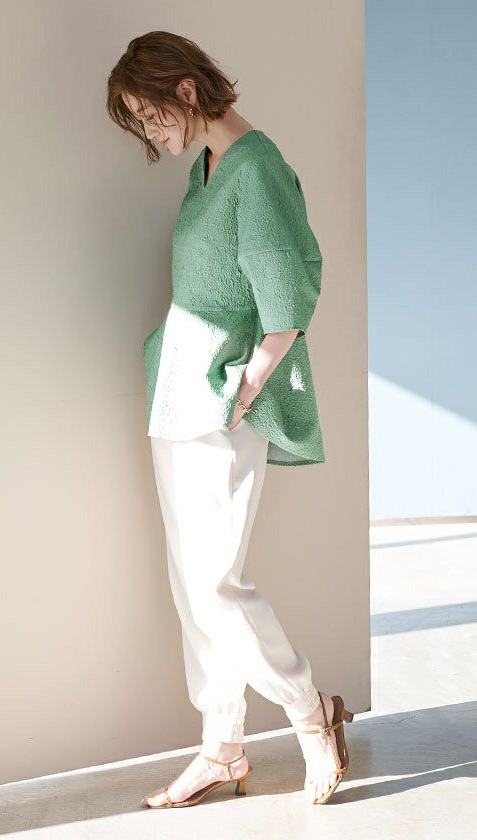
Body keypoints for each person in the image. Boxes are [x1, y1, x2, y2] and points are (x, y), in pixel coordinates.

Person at [106, 31, 355, 808]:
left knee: (217, 583)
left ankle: (312, 713)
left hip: (220, 398)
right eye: (138, 123)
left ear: (185, 88)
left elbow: (288, 288)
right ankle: (222, 747)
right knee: (191, 586)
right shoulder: (207, 169)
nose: (151, 132)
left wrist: (246, 385)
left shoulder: (257, 167)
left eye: (150, 114)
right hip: (176, 396)